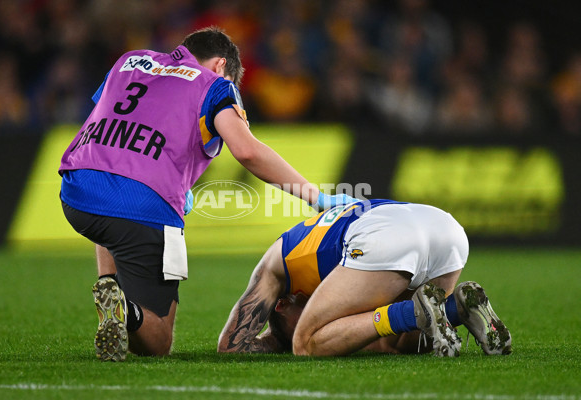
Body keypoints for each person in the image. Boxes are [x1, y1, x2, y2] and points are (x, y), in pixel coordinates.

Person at [59, 26, 355, 361]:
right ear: (220, 65)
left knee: (111, 210)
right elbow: (246, 151)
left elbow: (107, 121)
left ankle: (109, 285)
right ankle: (126, 309)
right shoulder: (216, 85)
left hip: (76, 189)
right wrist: (316, 197)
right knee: (157, 342)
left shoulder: (131, 60)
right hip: (142, 202)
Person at [218, 199, 512, 356]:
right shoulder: (310, 247)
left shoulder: (274, 267)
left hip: (386, 235)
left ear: (282, 304)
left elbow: (230, 346)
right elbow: (378, 340)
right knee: (403, 342)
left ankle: (415, 310)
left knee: (305, 345)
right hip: (444, 227)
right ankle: (457, 307)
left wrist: (288, 339)